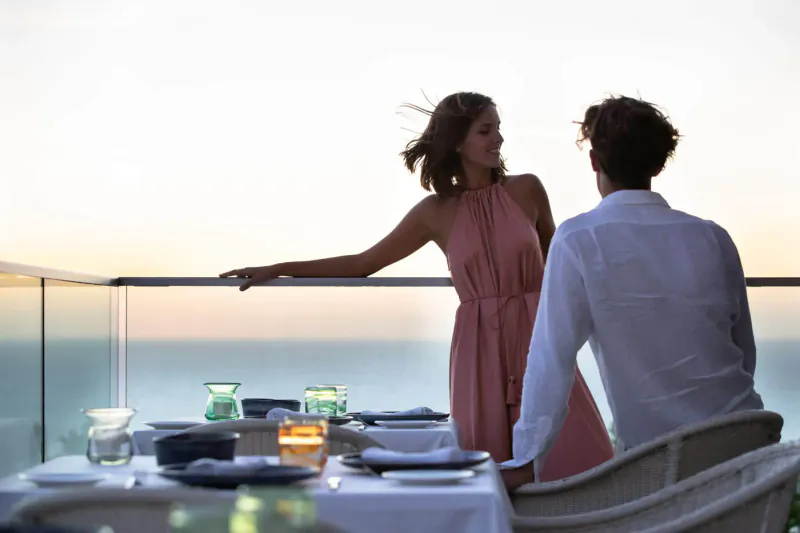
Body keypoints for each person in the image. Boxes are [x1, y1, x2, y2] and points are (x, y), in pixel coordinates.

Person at [221, 92, 613, 478]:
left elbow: (562, 263)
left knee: (574, 452)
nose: (498, 139)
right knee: (487, 466)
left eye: (498, 129)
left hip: (537, 338)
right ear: (458, 141)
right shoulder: (434, 212)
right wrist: (278, 268)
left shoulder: (527, 189)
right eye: (485, 130)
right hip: (479, 349)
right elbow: (363, 263)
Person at [500, 95, 765, 490]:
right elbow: (743, 352)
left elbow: (550, 361)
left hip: (660, 469)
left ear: (594, 161)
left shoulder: (578, 240)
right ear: (658, 164)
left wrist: (526, 459)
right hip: (748, 453)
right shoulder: (713, 237)